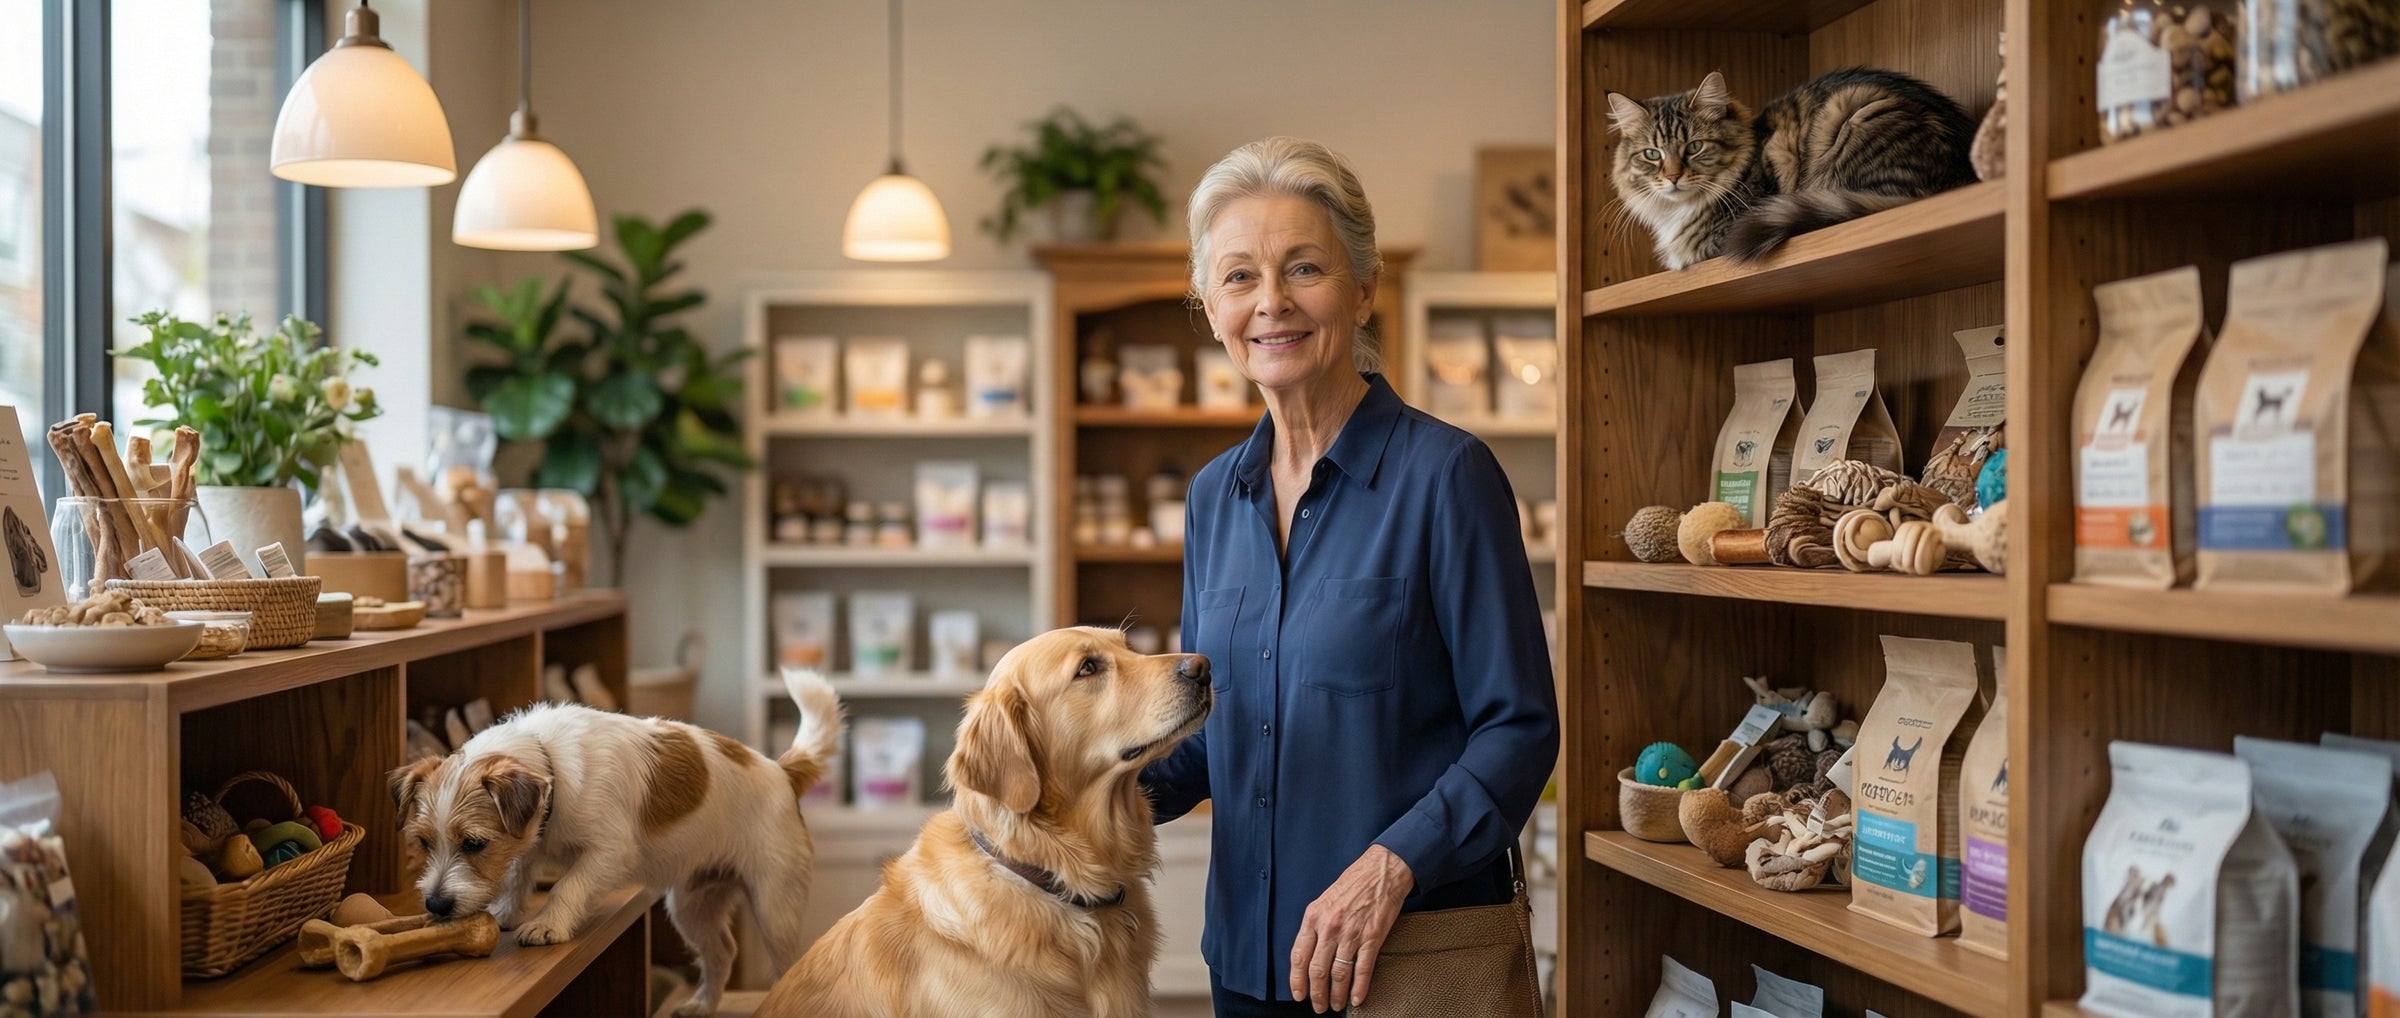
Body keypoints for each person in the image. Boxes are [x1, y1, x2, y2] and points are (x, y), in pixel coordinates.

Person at [1142, 137, 1560, 1017]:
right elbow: (1208, 740)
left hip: (1406, 964)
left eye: (1304, 269)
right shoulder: (1215, 496)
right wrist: (1056, 786)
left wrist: (1389, 866)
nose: (1272, 304)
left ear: (1364, 287)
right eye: (1239, 277)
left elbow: (1517, 730)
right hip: (1247, 969)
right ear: (1210, 306)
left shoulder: (1447, 477)